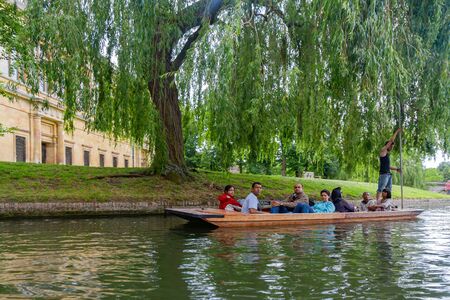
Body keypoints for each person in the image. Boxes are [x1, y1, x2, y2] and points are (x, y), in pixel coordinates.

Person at [377, 128, 402, 201]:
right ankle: (378, 202)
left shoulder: (387, 155)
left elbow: (388, 166)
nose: (392, 148)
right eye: (391, 146)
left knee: (388, 190)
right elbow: (391, 140)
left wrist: (397, 169)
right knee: (381, 189)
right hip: (384, 174)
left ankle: (387, 203)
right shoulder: (383, 150)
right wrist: (397, 132)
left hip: (388, 174)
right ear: (388, 145)